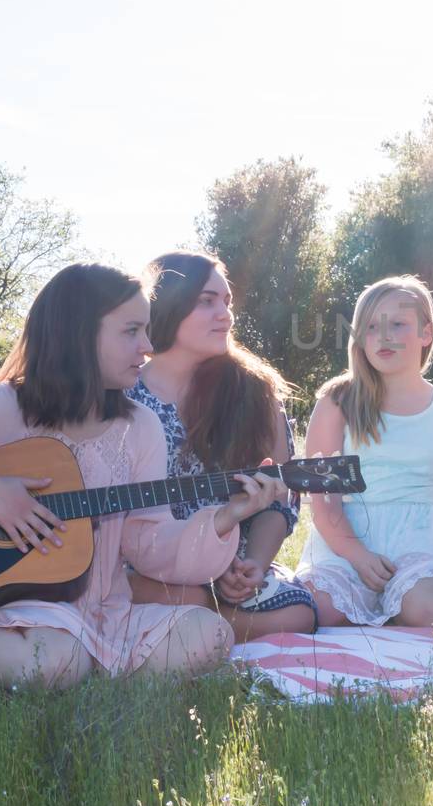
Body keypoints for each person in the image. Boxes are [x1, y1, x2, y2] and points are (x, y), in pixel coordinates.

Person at [0, 263, 283, 689]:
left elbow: (149, 543)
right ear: (79, 334)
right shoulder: (4, 406)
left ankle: (23, 673)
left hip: (108, 612)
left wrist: (227, 517)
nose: (148, 346)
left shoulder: (140, 428)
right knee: (56, 659)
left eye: (147, 330)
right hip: (21, 611)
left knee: (209, 636)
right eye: (131, 331)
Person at [125, 251, 317, 641]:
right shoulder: (121, 392)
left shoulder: (254, 391)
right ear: (167, 304)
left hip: (228, 561)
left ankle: (203, 614)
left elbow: (279, 499)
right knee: (135, 587)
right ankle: (204, 613)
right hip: (144, 564)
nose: (225, 315)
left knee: (301, 612)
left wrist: (253, 566)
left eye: (227, 302)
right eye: (207, 301)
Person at [297, 276, 433, 627]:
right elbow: (324, 503)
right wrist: (357, 555)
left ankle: (408, 604)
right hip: (345, 543)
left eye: (397, 325)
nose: (383, 336)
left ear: (426, 333)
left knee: (432, 611)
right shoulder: (338, 403)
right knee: (318, 609)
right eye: (371, 327)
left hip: (420, 545)